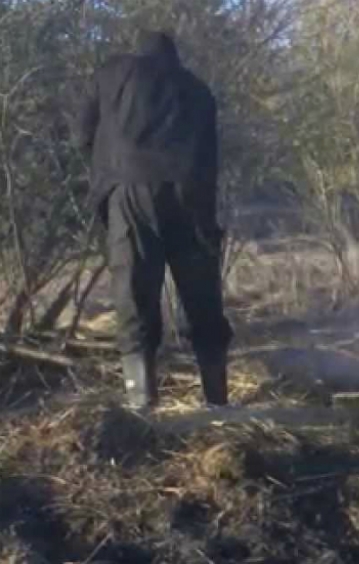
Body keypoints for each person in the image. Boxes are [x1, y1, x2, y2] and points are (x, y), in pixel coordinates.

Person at [73, 30, 233, 410]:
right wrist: (207, 222)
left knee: (134, 290)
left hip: (128, 191)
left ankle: (142, 403)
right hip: (188, 193)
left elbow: (80, 135)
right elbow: (211, 162)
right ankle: (218, 401)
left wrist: (106, 172)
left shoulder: (112, 73)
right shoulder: (199, 90)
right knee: (201, 295)